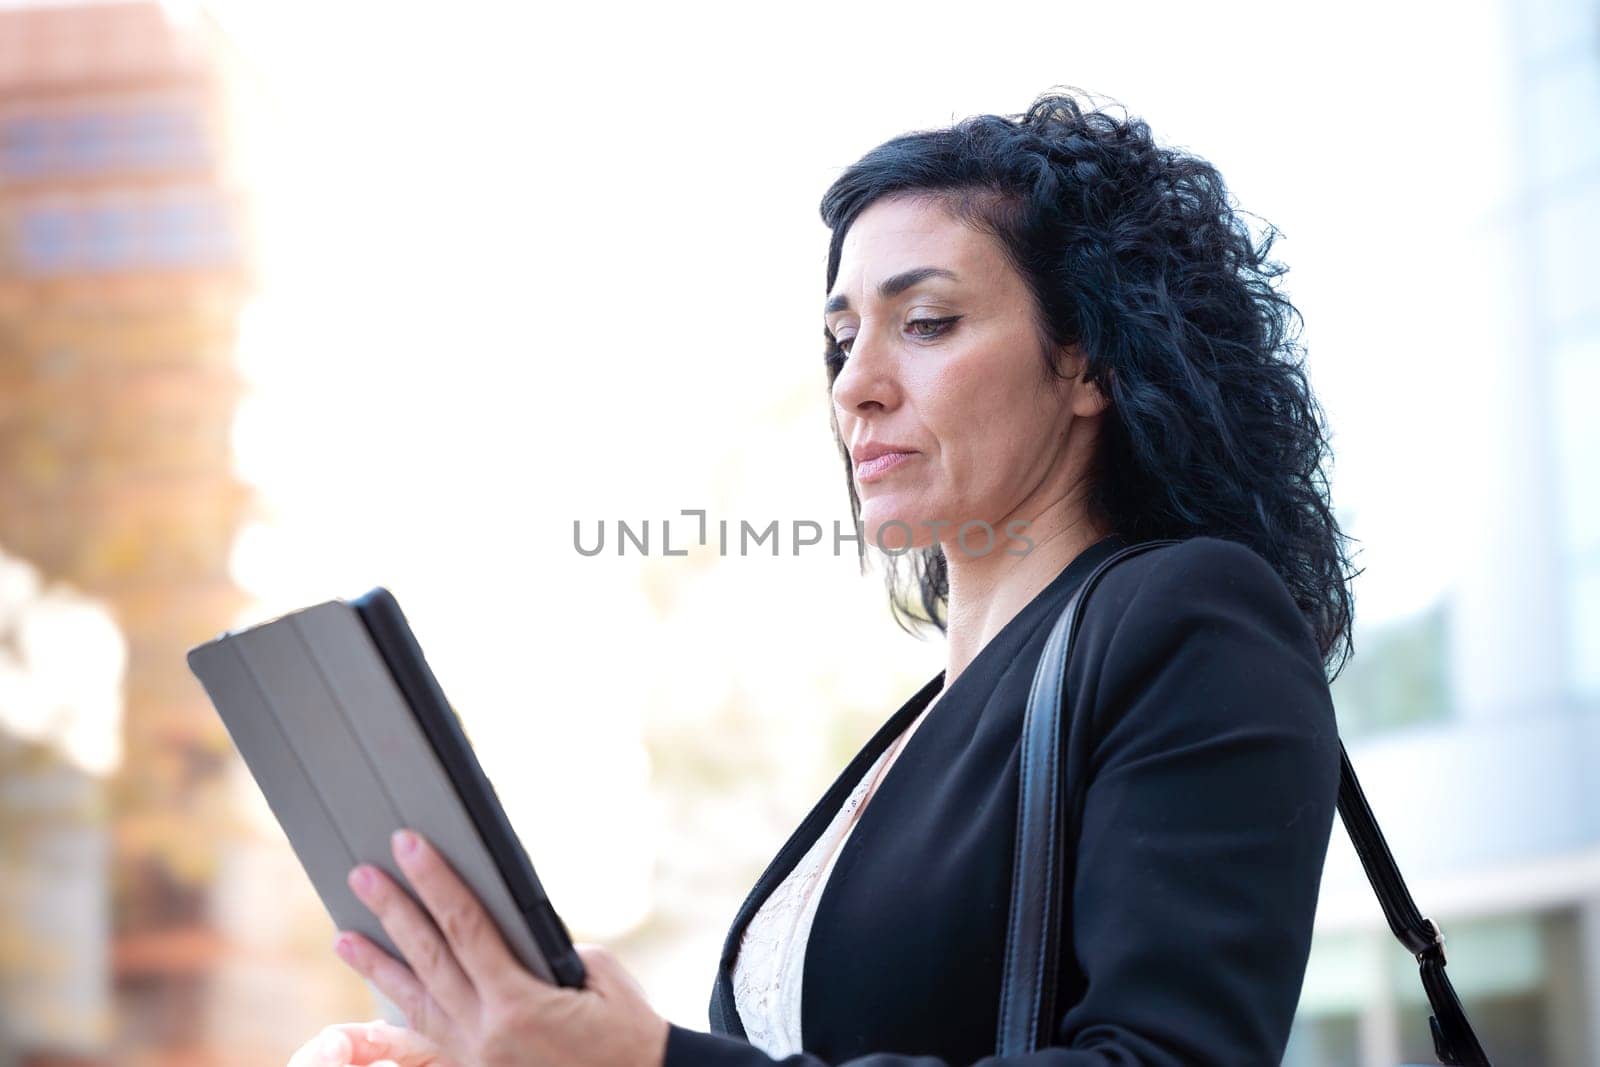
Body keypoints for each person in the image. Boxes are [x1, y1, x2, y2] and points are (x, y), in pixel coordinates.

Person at [288, 86, 1355, 1067]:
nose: (855, 386)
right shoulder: (919, 730)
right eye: (841, 338)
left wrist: (648, 1061)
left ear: (1085, 358)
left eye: (926, 322)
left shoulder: (1188, 618)